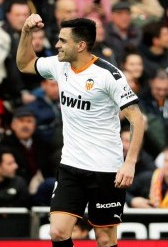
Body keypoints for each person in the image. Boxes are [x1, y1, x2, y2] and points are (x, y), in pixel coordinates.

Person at [17, 15, 144, 247]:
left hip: (106, 168)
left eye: (63, 41)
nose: (57, 45)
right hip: (71, 165)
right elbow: (25, 64)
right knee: (57, 232)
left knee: (105, 239)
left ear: (81, 45)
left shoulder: (109, 75)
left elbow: (137, 119)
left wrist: (130, 162)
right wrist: (25, 32)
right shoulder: (59, 65)